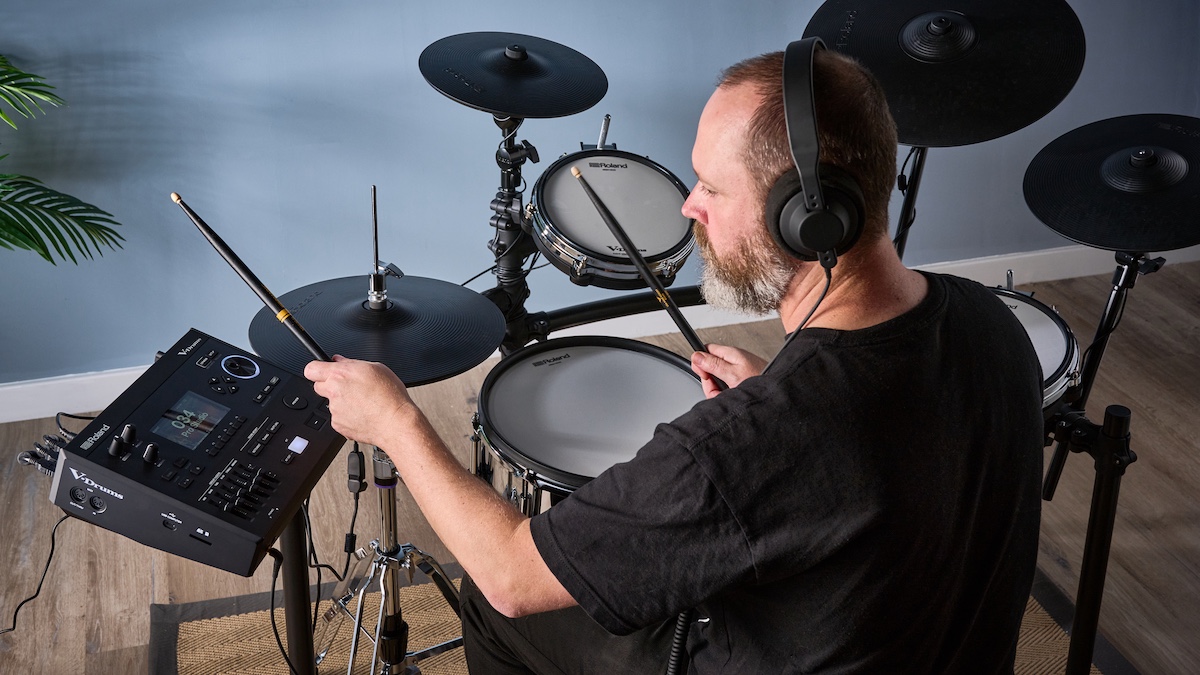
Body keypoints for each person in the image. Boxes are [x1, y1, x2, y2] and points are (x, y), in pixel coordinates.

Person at [306, 45, 1045, 674]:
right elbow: (882, 456)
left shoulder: (749, 446)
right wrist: (778, 387)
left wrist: (396, 421)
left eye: (713, 189)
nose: (689, 206)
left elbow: (511, 575)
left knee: (496, 609)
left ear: (809, 216)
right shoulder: (990, 322)